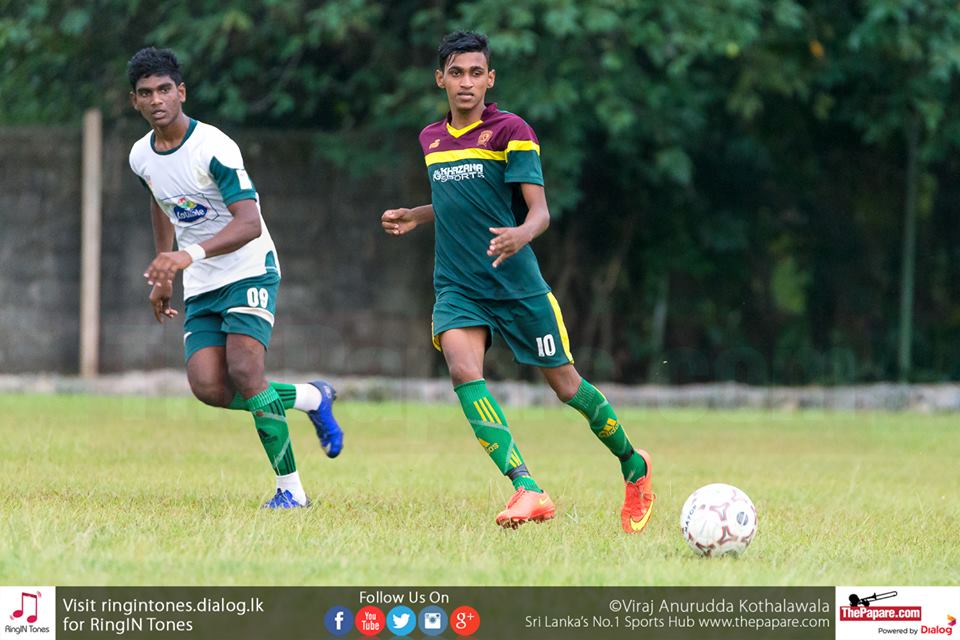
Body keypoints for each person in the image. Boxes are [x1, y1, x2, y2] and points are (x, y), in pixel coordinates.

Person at [381, 32, 654, 532]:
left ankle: (633, 463)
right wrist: (417, 216)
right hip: (458, 285)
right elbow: (459, 199)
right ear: (440, 78)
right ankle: (527, 488)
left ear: (491, 78)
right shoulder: (431, 138)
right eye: (456, 73)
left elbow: (540, 213)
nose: (467, 83)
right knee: (464, 373)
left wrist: (519, 236)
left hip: (517, 285)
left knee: (567, 386)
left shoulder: (512, 130)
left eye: (476, 73)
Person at [127, 47, 343, 509]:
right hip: (201, 279)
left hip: (249, 268)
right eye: (146, 93)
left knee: (246, 371)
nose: (157, 99)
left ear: (181, 92)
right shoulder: (141, 157)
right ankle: (310, 396)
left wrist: (187, 256)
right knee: (209, 387)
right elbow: (161, 205)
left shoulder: (214, 147)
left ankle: (292, 493)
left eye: (165, 89)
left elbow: (248, 222)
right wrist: (164, 271)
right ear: (135, 102)